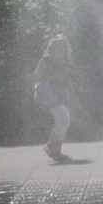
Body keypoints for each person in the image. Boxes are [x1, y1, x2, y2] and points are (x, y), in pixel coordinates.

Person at [34, 33, 76, 162]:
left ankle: (56, 150)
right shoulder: (46, 59)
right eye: (58, 43)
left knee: (64, 120)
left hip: (62, 94)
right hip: (50, 93)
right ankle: (51, 147)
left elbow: (68, 79)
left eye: (63, 44)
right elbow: (38, 76)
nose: (61, 46)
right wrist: (53, 80)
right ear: (53, 45)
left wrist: (72, 95)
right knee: (63, 118)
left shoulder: (66, 60)